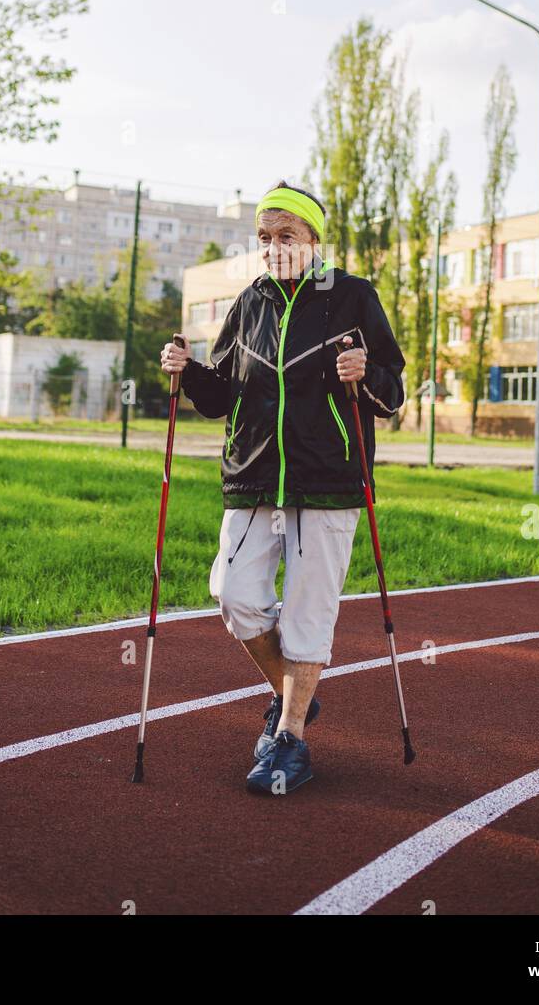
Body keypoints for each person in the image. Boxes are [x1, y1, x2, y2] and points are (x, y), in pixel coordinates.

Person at [159, 180, 405, 795]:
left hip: (328, 482)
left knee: (305, 615)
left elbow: (392, 391)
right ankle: (293, 693)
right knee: (233, 593)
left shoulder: (353, 296)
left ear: (314, 242)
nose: (273, 247)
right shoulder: (250, 303)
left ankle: (289, 738)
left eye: (286, 236)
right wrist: (187, 370)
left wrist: (365, 372)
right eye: (264, 237)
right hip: (254, 478)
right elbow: (219, 395)